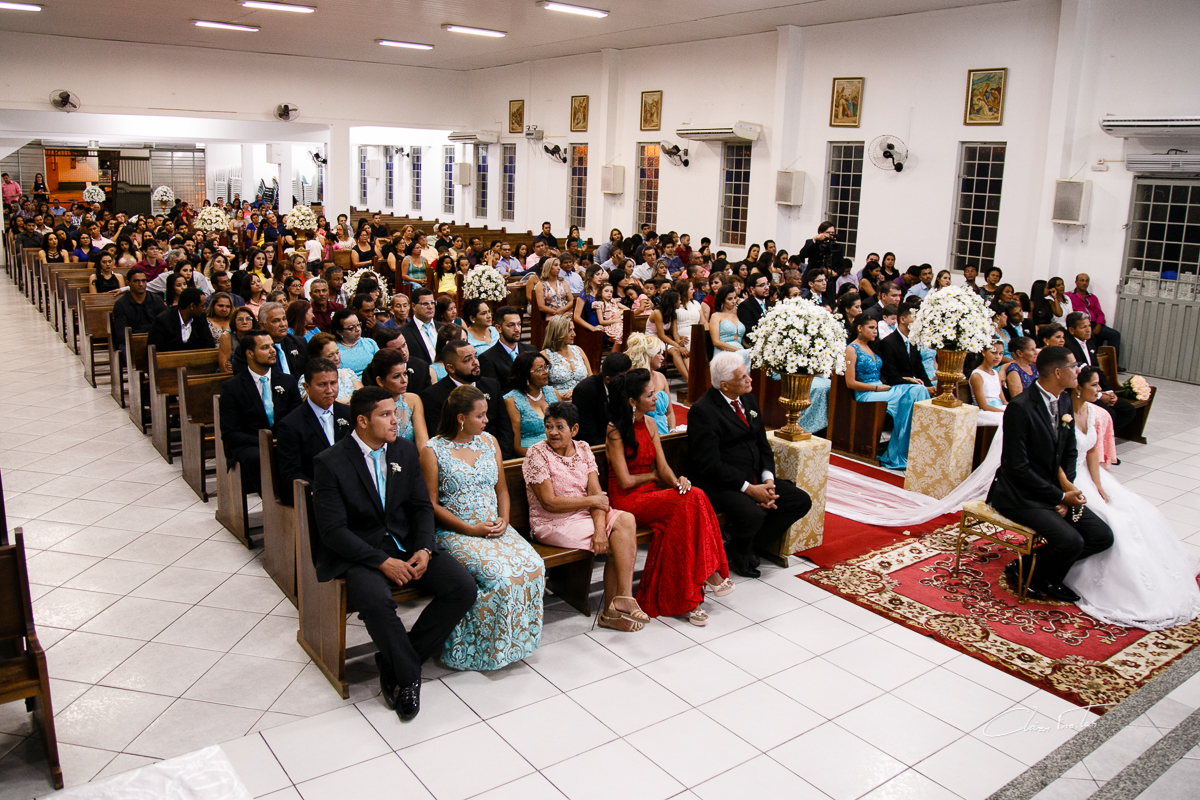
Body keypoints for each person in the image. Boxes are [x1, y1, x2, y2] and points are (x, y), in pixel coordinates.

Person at [312, 387, 475, 720]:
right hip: (361, 553)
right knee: (375, 602)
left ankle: (394, 661)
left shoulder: (403, 450)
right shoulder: (330, 463)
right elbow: (332, 531)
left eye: (395, 412)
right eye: (385, 414)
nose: (396, 419)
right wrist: (381, 561)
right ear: (361, 421)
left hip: (406, 544)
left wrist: (425, 548)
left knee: (462, 588)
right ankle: (409, 675)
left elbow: (420, 507)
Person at [1060, 368, 1200, 627]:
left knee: (1134, 509)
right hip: (1069, 477)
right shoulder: (1062, 414)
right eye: (1094, 385)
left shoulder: (1092, 412)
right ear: (1078, 388)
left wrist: (1099, 484)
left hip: (1089, 476)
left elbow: (1091, 450)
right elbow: (1056, 455)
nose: (1099, 391)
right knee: (1113, 522)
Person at [420, 385, 545, 670]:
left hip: (494, 524)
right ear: (461, 418)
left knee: (533, 566)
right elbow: (430, 504)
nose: (487, 421)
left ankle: (514, 644)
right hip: (456, 530)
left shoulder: (489, 442)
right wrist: (469, 528)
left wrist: (504, 519)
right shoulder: (433, 450)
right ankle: (476, 649)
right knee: (499, 574)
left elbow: (501, 489)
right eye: (481, 416)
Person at [986, 346, 1114, 603]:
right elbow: (1017, 467)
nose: (1078, 371)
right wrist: (1058, 496)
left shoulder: (1064, 399)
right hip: (1020, 495)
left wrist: (1066, 488)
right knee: (1071, 541)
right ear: (1058, 372)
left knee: (1102, 536)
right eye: (1073, 367)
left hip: (1054, 490)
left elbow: (1069, 450)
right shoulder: (1021, 408)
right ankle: (1042, 579)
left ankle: (1029, 568)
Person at [606, 370, 733, 626]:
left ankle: (691, 595)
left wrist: (678, 482)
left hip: (650, 495)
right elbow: (625, 481)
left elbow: (663, 468)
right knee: (684, 507)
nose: (657, 398)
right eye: (650, 395)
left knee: (693, 496)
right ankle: (706, 577)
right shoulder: (615, 431)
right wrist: (652, 476)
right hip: (626, 502)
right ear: (632, 401)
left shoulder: (651, 424)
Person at [687, 353, 813, 577]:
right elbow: (709, 465)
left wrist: (768, 482)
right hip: (722, 483)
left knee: (799, 501)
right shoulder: (703, 411)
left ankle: (745, 545)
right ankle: (742, 549)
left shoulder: (749, 400)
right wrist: (750, 489)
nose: (750, 380)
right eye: (743, 377)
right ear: (725, 385)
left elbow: (762, 444)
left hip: (755, 476)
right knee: (753, 515)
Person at [524, 402, 645, 631]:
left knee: (626, 520)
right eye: (548, 426)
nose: (552, 432)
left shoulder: (583, 449)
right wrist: (593, 502)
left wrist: (600, 529)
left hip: (585, 515)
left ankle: (623, 600)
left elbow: (596, 493)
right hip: (553, 522)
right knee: (616, 543)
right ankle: (613, 611)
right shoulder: (537, 453)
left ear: (575, 429)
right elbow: (549, 502)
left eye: (559, 427)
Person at [219, 330, 302, 494]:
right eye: (265, 347)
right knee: (259, 458)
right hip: (251, 443)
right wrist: (266, 441)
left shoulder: (287, 381)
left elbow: (297, 418)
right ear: (250, 353)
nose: (273, 350)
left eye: (272, 345)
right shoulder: (232, 387)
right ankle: (274, 500)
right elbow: (230, 433)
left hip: (283, 439)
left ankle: (301, 497)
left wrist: (283, 439)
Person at [843, 316, 929, 470]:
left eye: (876, 328)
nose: (875, 331)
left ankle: (916, 448)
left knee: (918, 389)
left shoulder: (871, 347)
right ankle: (901, 452)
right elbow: (850, 383)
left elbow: (882, 373)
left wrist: (905, 379)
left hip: (881, 389)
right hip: (867, 393)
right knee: (913, 392)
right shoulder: (851, 349)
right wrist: (877, 388)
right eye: (871, 327)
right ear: (859, 328)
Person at [274, 357, 353, 500]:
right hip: (315, 493)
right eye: (322, 384)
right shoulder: (290, 425)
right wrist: (326, 491)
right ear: (307, 387)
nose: (330, 390)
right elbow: (290, 473)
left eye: (333, 383)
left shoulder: (349, 414)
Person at [421, 341, 516, 460]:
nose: (476, 362)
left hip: (496, 454)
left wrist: (500, 458)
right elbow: (440, 434)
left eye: (475, 356)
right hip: (457, 459)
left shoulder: (492, 386)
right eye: (467, 360)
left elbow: (505, 427)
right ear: (451, 368)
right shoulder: (433, 395)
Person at [1063, 312, 1136, 432]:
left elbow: (1097, 371)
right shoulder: (1067, 346)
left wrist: (1109, 392)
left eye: (1089, 326)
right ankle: (1097, 440)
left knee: (1128, 410)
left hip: (1095, 388)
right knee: (1109, 413)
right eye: (1083, 327)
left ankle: (1104, 437)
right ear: (1071, 330)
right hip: (1080, 392)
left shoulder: (1090, 343)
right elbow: (1081, 377)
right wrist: (1100, 395)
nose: (1088, 330)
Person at [361, 347, 430, 449]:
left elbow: (422, 441)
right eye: (396, 376)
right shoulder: (370, 405)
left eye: (405, 374)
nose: (404, 380)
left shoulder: (413, 400)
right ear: (380, 381)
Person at [503, 352, 559, 456]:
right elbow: (516, 446)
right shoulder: (512, 401)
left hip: (559, 450)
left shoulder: (553, 393)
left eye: (545, 367)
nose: (545, 372)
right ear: (525, 374)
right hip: (530, 455)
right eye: (539, 369)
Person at [572, 352, 631, 447]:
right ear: (608, 379)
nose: (628, 381)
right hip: (595, 447)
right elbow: (588, 435)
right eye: (624, 378)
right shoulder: (584, 391)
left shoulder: (625, 387)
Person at [623, 333, 674, 435]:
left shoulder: (661, 377)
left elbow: (670, 412)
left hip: (665, 433)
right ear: (648, 356)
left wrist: (673, 431)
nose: (662, 357)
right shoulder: (632, 380)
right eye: (659, 353)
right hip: (642, 432)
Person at [877, 301, 933, 391]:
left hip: (915, 384)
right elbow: (891, 377)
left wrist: (929, 386)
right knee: (920, 390)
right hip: (898, 385)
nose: (918, 322)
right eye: (914, 318)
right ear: (903, 319)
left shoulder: (913, 341)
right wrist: (920, 386)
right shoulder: (888, 343)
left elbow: (919, 368)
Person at [1067, 273, 1121, 356]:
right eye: (1082, 280)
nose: (1084, 283)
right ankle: (1092, 362)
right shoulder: (1069, 296)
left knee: (1115, 335)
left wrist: (1099, 325)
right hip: (1080, 324)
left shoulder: (1092, 297)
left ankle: (1112, 364)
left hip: (1095, 324)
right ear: (1076, 282)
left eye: (1086, 281)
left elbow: (1099, 313)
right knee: (1090, 335)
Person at [147, 288, 215, 352]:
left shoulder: (200, 317)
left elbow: (209, 344)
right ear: (192, 306)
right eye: (202, 306)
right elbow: (155, 350)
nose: (204, 309)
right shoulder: (163, 320)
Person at [542, 315, 591, 399]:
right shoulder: (544, 356)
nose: (574, 334)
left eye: (573, 330)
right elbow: (541, 388)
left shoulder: (578, 350)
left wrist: (578, 391)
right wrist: (561, 396)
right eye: (569, 331)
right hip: (559, 400)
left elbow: (590, 378)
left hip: (583, 396)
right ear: (558, 332)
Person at [647, 289, 690, 381]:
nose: (680, 302)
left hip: (663, 339)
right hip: (652, 339)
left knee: (685, 352)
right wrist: (678, 346)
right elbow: (661, 335)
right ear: (672, 301)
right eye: (678, 300)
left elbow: (674, 332)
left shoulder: (673, 313)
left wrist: (679, 342)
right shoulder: (657, 313)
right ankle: (689, 380)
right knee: (676, 351)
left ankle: (693, 379)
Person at [307, 332, 361, 403]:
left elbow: (362, 398)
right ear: (317, 358)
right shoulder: (308, 378)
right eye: (330, 355)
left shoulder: (348, 372)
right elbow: (317, 404)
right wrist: (351, 400)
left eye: (337, 352)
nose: (337, 358)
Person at [259, 302, 309, 379]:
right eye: (275, 321)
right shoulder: (255, 347)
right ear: (262, 325)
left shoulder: (299, 342)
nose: (283, 324)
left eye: (284, 319)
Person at [331, 309, 379, 381]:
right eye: (351, 328)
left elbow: (381, 364)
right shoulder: (335, 349)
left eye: (358, 325)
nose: (357, 329)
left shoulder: (370, 343)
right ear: (339, 332)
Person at [970, 339, 1008, 426]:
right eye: (993, 353)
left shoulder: (995, 373)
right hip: (985, 412)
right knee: (1006, 419)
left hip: (999, 408)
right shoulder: (977, 375)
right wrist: (1004, 412)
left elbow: (1003, 400)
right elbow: (983, 405)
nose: (998, 357)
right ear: (983, 352)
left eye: (1001, 353)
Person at [401, 288, 439, 364]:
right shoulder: (403, 333)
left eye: (432, 303)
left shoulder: (442, 328)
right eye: (425, 304)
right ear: (413, 306)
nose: (430, 307)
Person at [737, 272, 771, 347]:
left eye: (767, 284)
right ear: (752, 289)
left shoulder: (771, 305)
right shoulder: (745, 306)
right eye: (762, 285)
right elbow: (749, 331)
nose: (767, 287)